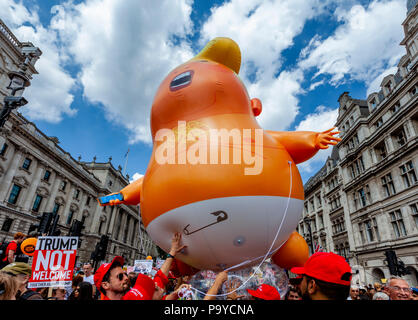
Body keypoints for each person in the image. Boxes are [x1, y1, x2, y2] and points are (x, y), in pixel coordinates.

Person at [95, 232, 186, 300]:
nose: (126, 278)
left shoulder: (132, 295)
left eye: (125, 274)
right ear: (105, 285)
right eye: (120, 276)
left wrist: (172, 252)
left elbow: (160, 278)